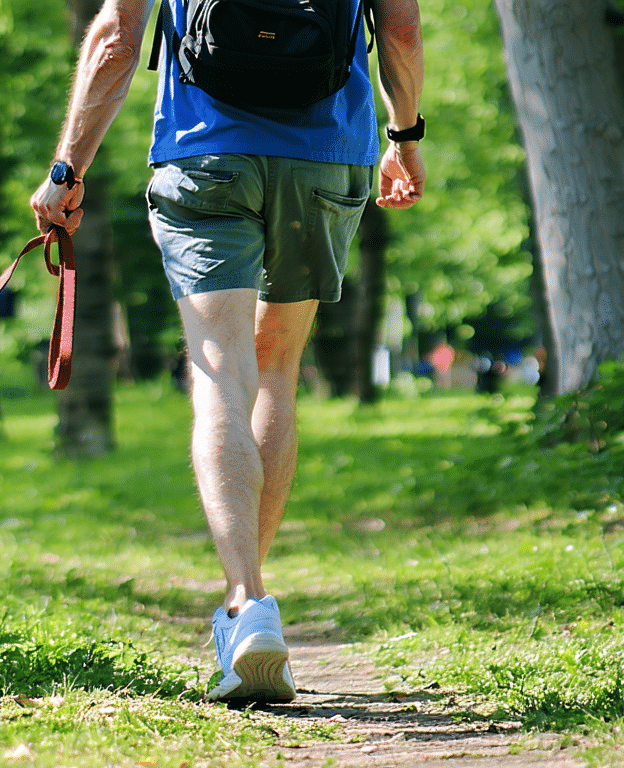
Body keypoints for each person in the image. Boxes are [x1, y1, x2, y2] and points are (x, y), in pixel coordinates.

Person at [31, 0, 425, 702]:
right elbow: (399, 28)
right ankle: (249, 604)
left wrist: (68, 170)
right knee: (274, 368)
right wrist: (406, 137)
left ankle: (247, 600)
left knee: (221, 372)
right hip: (326, 156)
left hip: (204, 152)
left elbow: (117, 39)